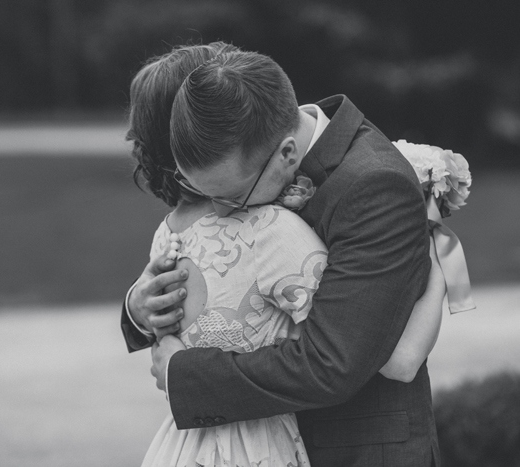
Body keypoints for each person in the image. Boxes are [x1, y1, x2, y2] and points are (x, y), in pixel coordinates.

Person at [123, 45, 446, 467]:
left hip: (353, 450)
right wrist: (139, 306)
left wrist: (183, 374)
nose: (221, 211)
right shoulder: (246, 129)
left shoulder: (375, 185)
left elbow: (334, 361)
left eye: (232, 197)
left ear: (288, 155)